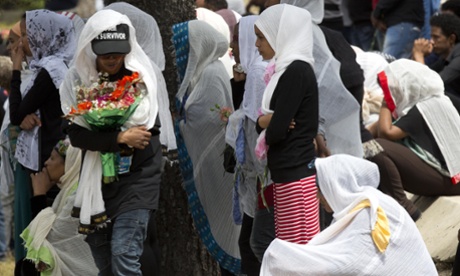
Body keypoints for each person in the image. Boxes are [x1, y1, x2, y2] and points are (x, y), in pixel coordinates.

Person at [60, 10, 162, 275]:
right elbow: (76, 134)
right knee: (102, 255)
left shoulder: (141, 81)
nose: (112, 58)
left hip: (138, 180)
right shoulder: (79, 84)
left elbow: (148, 132)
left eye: (118, 52)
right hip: (97, 182)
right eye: (105, 52)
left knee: (123, 253)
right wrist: (119, 137)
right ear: (90, 50)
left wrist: (120, 138)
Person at [260, 154, 437, 275]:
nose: (317, 196)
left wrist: (283, 256)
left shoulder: (368, 212)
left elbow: (350, 263)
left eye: (320, 189)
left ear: (335, 187)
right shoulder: (367, 203)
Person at [172, 20, 241, 275]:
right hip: (215, 163)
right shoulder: (204, 72)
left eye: (183, 48)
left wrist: (178, 125)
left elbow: (205, 122)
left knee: (225, 225)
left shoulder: (212, 74)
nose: (180, 55)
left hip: (217, 166)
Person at [9, 10, 75, 262]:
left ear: (43, 37)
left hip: (47, 162)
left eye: (26, 35)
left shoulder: (50, 71)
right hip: (50, 156)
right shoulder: (56, 65)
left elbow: (16, 113)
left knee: (43, 234)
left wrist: (15, 69)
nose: (20, 43)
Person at [254, 2, 320, 250]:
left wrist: (268, 124)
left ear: (281, 34)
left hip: (296, 175)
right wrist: (265, 121)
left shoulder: (296, 71)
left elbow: (277, 131)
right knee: (291, 251)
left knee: (299, 254)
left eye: (261, 37)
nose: (257, 44)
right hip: (286, 174)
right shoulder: (284, 69)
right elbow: (268, 123)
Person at [372, 59, 460, 219]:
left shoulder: (423, 108)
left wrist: (386, 101)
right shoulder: (437, 100)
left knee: (376, 147)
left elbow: (385, 133)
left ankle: (403, 206)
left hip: (452, 182)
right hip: (453, 180)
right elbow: (372, 130)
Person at [226, 15, 267, 276]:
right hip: (258, 177)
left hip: (261, 177)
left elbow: (253, 126)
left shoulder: (258, 71)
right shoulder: (253, 71)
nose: (233, 45)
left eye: (236, 38)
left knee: (253, 244)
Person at [21, 139, 98, 275]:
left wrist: (39, 194)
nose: (46, 163)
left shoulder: (79, 195)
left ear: (69, 164)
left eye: (52, 158)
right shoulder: (69, 190)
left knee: (29, 267)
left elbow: (51, 237)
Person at [412, 13, 460, 96]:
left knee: (434, 95)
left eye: (436, 37)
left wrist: (419, 55)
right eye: (431, 37)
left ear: (451, 38)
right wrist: (416, 56)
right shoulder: (444, 58)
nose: (432, 41)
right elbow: (416, 77)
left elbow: (430, 84)